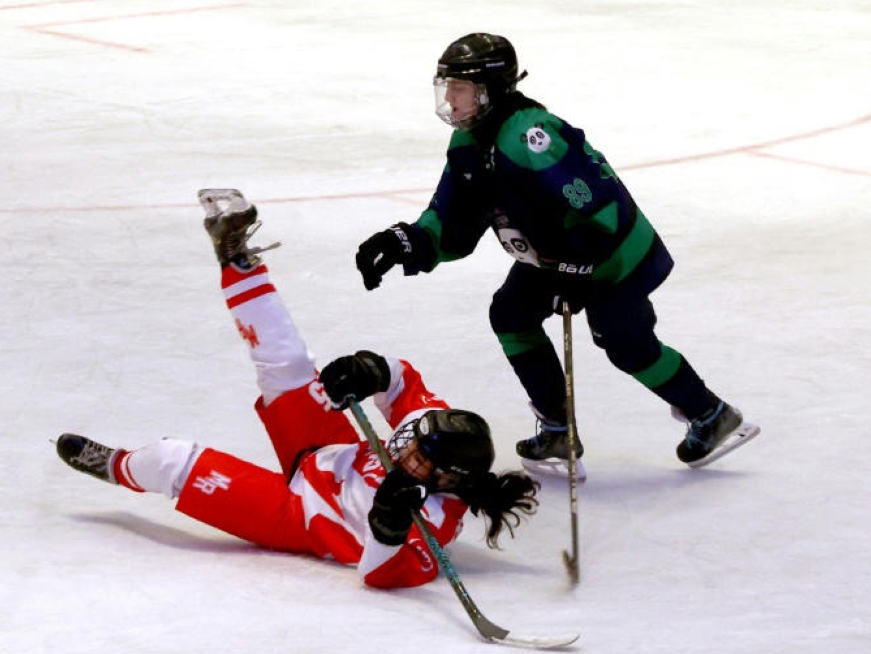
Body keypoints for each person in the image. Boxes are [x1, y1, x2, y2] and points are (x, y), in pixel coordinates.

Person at [55, 189, 541, 589]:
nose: (407, 450)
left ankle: (117, 466)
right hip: (325, 450)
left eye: (419, 459)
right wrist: (368, 370)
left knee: (168, 459)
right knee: (287, 364)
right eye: (411, 443)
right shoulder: (431, 425)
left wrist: (388, 527)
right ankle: (237, 258)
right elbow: (401, 380)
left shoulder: (436, 522)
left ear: (448, 480)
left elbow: (377, 573)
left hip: (298, 513)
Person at [354, 33, 759, 473]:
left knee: (624, 342)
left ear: (489, 90)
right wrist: (406, 242)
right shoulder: (468, 145)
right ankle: (557, 430)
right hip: (557, 261)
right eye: (447, 86)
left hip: (615, 258)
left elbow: (600, 206)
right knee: (510, 315)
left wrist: (582, 267)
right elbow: (451, 220)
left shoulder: (531, 137)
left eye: (460, 88)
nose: (450, 98)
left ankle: (712, 414)